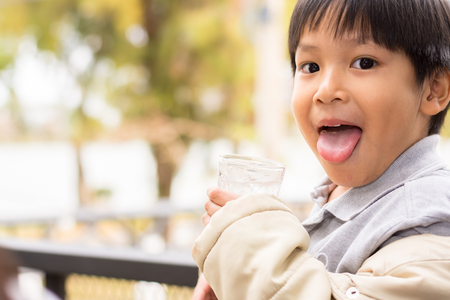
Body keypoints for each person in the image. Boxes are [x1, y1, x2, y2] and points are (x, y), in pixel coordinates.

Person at [192, 0, 450, 299]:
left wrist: (251, 251)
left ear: (434, 89)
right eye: (310, 66)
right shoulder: (340, 195)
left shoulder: (427, 218)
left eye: (363, 62)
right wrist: (236, 276)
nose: (326, 91)